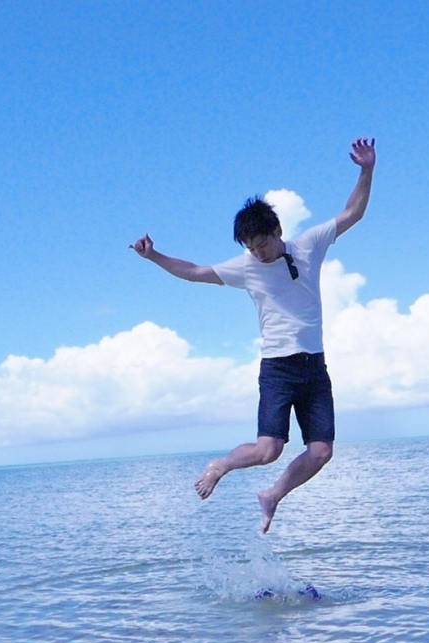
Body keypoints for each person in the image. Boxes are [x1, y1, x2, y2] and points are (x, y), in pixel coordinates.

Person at [130, 137, 376, 532]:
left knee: (322, 451)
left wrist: (366, 169)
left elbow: (353, 213)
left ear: (278, 231)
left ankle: (272, 495)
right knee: (268, 449)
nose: (258, 253)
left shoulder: (309, 246)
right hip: (277, 366)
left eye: (262, 244)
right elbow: (194, 271)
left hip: (315, 365)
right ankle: (221, 465)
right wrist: (153, 256)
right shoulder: (246, 268)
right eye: (251, 247)